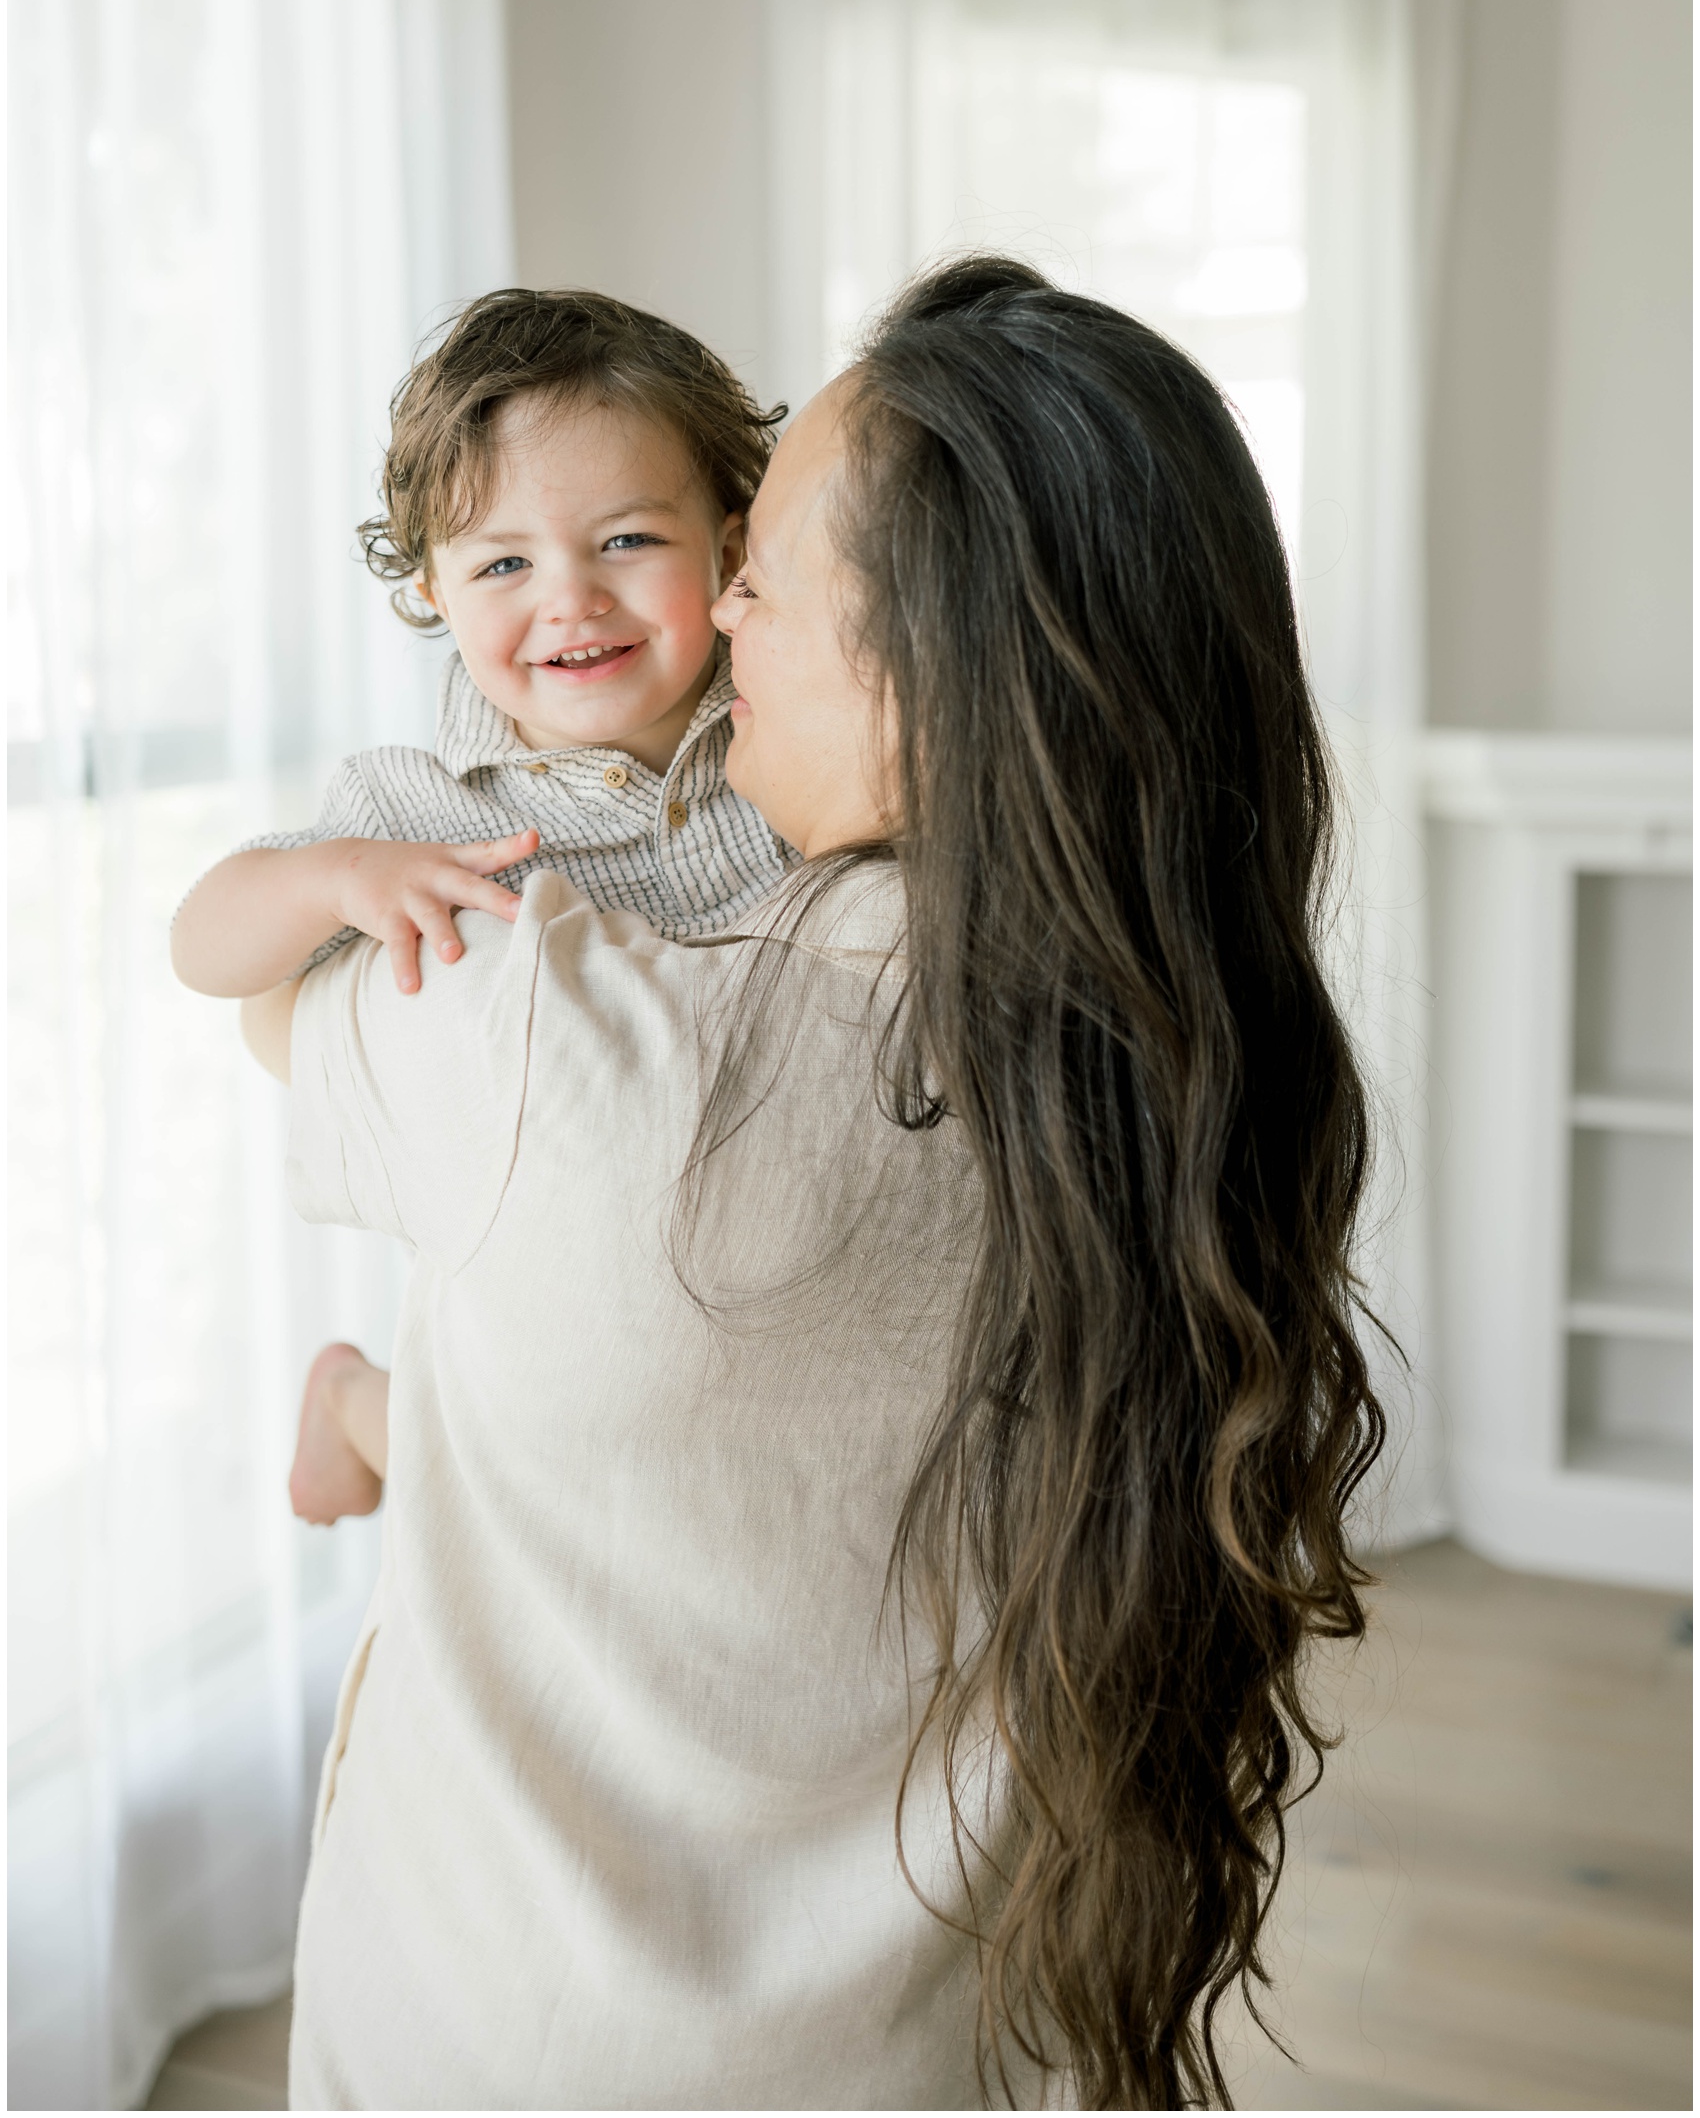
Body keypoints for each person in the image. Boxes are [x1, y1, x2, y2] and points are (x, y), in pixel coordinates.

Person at [241, 256, 1385, 2109]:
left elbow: (284, 1013)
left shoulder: (553, 1028)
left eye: (745, 566)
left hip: (521, 2042)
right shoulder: (1187, 1062)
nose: (698, 619)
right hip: (955, 2046)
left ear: (925, 658)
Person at [172, 289, 795, 1524]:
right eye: (503, 563)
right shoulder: (417, 806)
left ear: (729, 547)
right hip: (536, 1265)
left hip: (753, 1227)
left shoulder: (790, 737)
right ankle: (352, 1400)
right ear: (434, 593)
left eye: (625, 541)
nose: (568, 597)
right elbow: (204, 944)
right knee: (523, 1465)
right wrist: (336, 877)